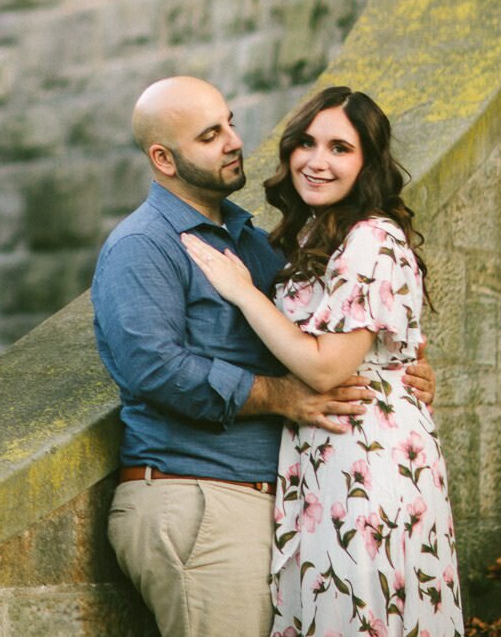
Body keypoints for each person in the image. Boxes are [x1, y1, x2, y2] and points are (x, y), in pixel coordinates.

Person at [92, 77, 435, 637]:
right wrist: (283, 397)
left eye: (230, 122)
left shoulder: (255, 242)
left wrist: (400, 371)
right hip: (198, 496)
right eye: (210, 135)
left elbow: (333, 329)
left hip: (280, 502)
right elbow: (154, 368)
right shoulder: (143, 245)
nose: (234, 141)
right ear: (164, 157)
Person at [180, 85, 463, 636]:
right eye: (307, 142)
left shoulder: (371, 239)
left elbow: (328, 367)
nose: (316, 160)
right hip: (328, 458)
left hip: (365, 460)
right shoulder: (317, 235)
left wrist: (244, 292)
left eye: (340, 148)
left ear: (368, 164)